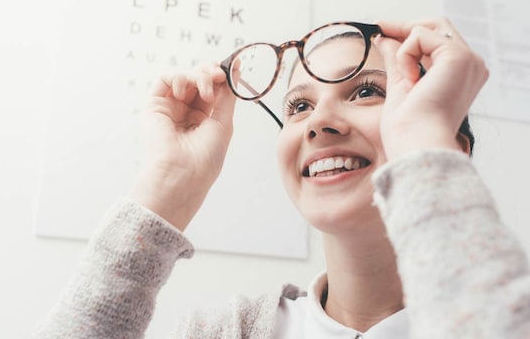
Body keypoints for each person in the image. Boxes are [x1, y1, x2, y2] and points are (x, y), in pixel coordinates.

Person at [32, 18, 530, 338]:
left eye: (364, 93)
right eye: (299, 106)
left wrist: (423, 141)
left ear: (447, 149)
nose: (318, 122)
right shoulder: (225, 332)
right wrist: (170, 182)